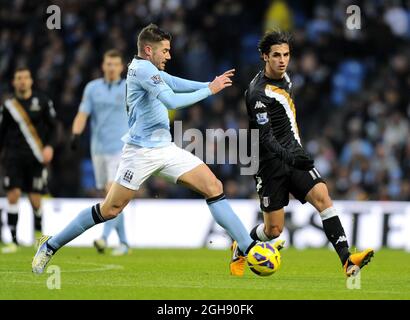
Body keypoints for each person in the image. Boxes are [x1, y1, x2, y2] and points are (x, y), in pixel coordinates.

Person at [32, 23, 258, 273]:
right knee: (110, 209)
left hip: (165, 148)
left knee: (213, 186)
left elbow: (172, 81)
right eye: (166, 51)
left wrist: (208, 83)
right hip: (139, 153)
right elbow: (171, 99)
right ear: (149, 50)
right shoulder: (141, 70)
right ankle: (50, 246)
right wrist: (208, 90)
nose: (169, 56)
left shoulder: (149, 68)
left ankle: (248, 247)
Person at [230, 30, 374, 277]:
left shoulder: (285, 78)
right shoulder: (256, 94)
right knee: (274, 230)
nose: (282, 60)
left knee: (323, 198)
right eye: (276, 55)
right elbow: (265, 137)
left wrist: (295, 152)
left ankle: (348, 261)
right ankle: (241, 246)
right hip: (270, 164)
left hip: (294, 155)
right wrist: (289, 156)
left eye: (286, 55)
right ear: (265, 57)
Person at [71, 49, 130, 256]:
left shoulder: (129, 88)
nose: (111, 68)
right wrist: (75, 134)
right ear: (103, 66)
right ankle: (123, 242)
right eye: (108, 64)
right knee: (110, 196)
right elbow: (83, 113)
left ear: (122, 67)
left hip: (121, 148)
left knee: (112, 191)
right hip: (98, 150)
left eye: (115, 64)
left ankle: (104, 238)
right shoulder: (92, 88)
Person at [0, 67, 56, 253]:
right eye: (18, 78)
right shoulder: (8, 106)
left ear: (31, 80)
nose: (22, 81)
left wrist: (49, 146)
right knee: (13, 195)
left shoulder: (42, 101)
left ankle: (37, 237)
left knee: (35, 198)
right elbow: (2, 132)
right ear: (14, 82)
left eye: (25, 77)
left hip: (36, 158)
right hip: (13, 157)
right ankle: (14, 241)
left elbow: (54, 128)